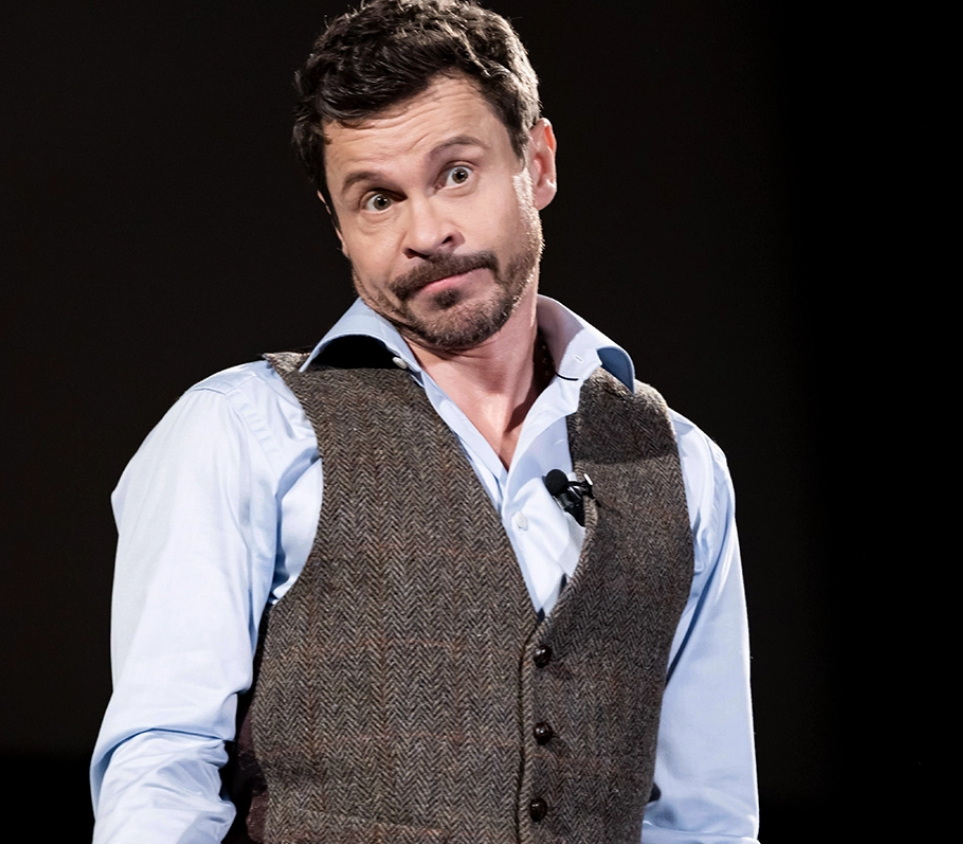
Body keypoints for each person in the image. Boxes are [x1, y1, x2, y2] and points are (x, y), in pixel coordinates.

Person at [89, 1, 758, 841]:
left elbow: (703, 816)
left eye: (456, 174)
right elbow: (161, 768)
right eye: (377, 199)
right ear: (339, 227)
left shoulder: (678, 465)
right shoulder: (241, 433)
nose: (427, 232)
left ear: (536, 163)